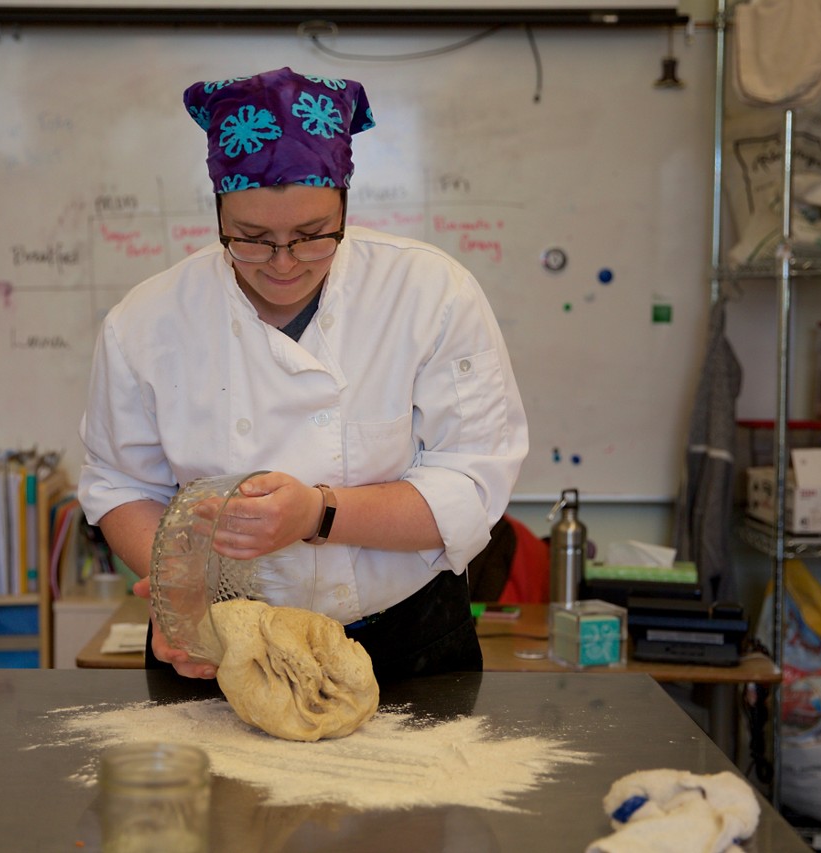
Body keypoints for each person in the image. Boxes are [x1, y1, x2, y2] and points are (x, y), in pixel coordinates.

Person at [78, 67, 528, 683]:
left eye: (313, 236)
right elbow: (119, 484)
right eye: (253, 239)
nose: (284, 263)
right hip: (226, 641)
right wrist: (180, 592)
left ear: (345, 204)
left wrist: (317, 514)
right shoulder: (148, 321)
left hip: (404, 638)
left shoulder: (429, 294)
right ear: (218, 216)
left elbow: (474, 484)